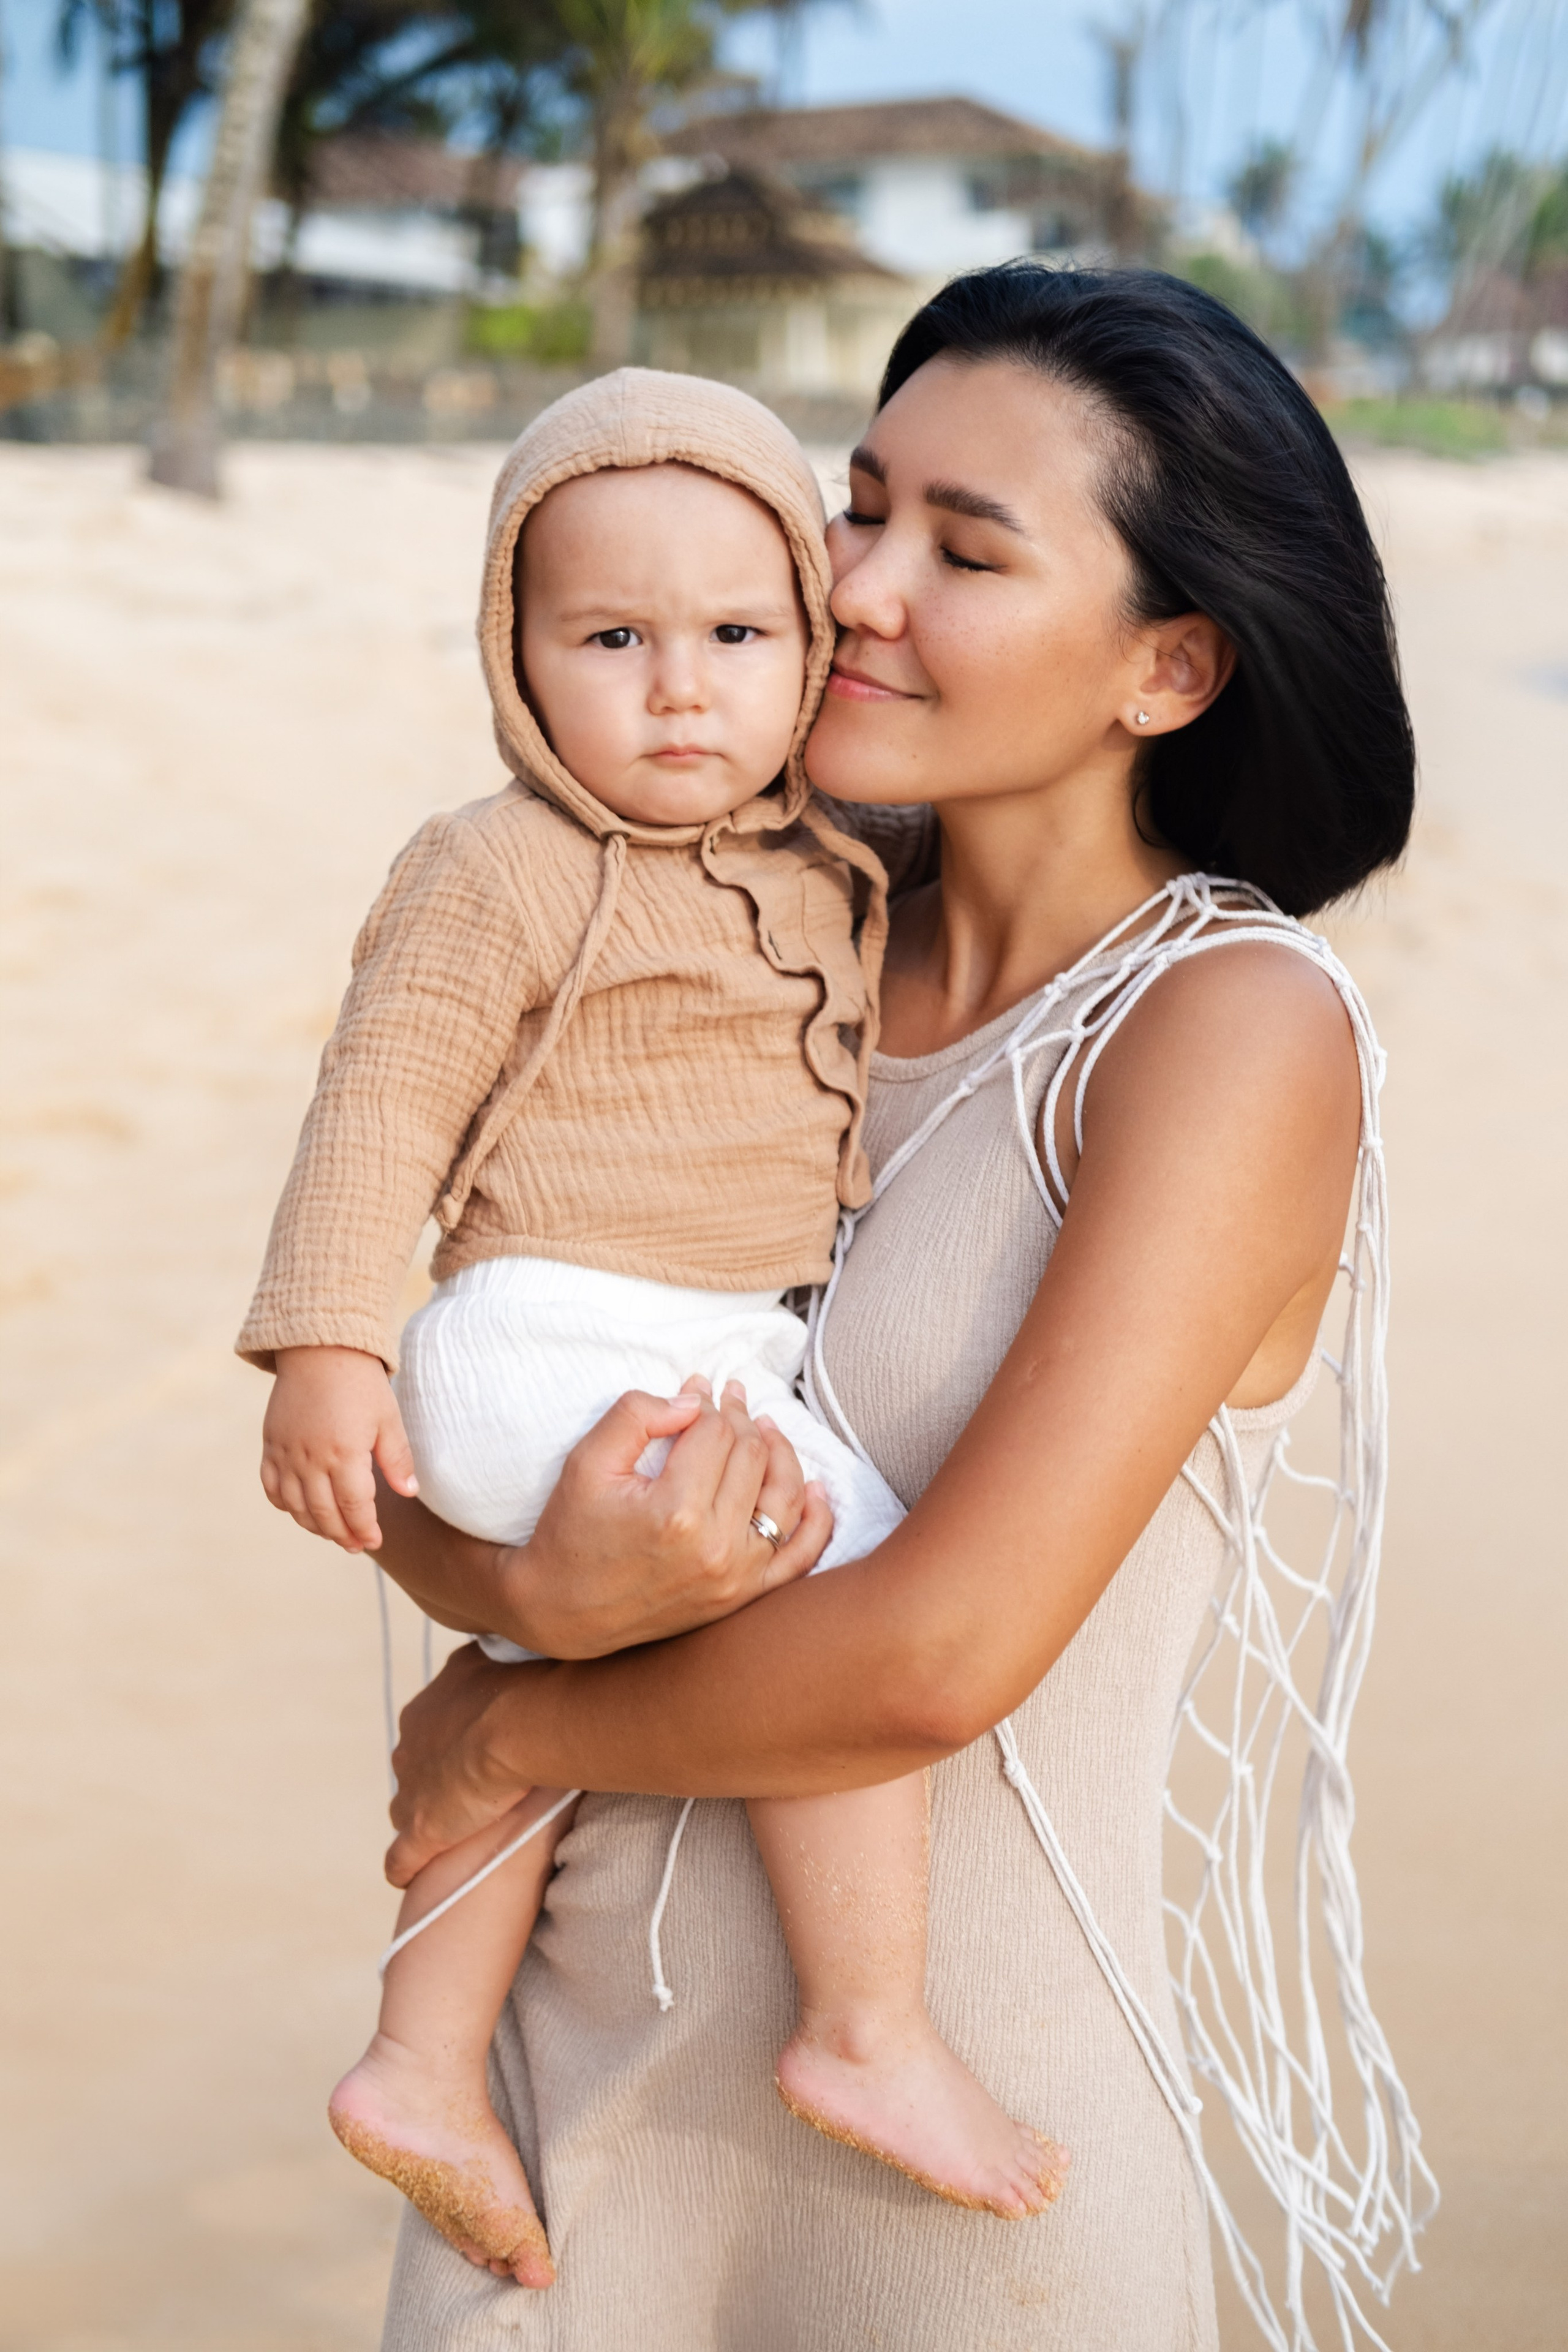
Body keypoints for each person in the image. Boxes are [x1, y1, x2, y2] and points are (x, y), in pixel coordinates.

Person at [364, 264, 1423, 2352]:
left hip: (956, 2200)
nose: (855, 585)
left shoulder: (1225, 1029)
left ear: (1168, 667)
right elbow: (442, 1420)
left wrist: (512, 1721)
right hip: (545, 2152)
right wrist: (541, 1586)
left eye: (966, 544)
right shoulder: (741, 929)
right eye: (859, 506)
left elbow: (942, 1653)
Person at [238, 371, 1069, 2291]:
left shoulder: (828, 865)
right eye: (610, 639)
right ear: (517, 659)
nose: (678, 689)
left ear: (804, 651)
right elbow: (383, 1100)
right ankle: (867, 2028)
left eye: (736, 635)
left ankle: (424, 2062)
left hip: (681, 1343)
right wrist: (325, 1347)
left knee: (549, 1636)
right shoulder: (502, 863)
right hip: (552, 1327)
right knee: (839, 1571)